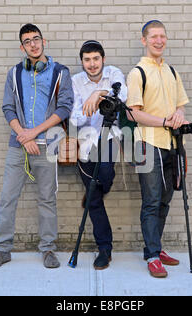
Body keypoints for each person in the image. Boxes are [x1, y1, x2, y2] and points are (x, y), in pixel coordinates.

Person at [0, 23, 74, 269]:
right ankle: (3, 250)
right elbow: (8, 107)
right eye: (27, 41)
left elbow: (65, 108)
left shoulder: (60, 72)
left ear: (44, 41)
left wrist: (33, 134)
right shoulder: (14, 73)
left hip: (48, 144)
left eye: (36, 39)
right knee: (7, 198)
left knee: (47, 199)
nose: (33, 44)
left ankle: (47, 250)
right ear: (21, 46)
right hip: (18, 145)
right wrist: (24, 136)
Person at [126, 20, 190, 278]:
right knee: (151, 201)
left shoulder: (172, 72)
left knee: (166, 199)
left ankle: (155, 247)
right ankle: (152, 256)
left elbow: (181, 106)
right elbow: (133, 114)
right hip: (147, 145)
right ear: (144, 40)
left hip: (173, 145)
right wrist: (164, 121)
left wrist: (178, 115)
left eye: (162, 36)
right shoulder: (137, 73)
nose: (159, 41)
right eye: (154, 36)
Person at [69, 40, 127, 270]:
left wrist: (99, 93)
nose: (92, 64)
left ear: (102, 59)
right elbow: (73, 118)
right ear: (82, 61)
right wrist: (88, 108)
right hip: (85, 142)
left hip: (109, 137)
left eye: (96, 59)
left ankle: (99, 189)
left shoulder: (113, 72)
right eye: (87, 60)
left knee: (105, 173)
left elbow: (122, 93)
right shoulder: (74, 82)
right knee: (94, 200)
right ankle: (105, 249)